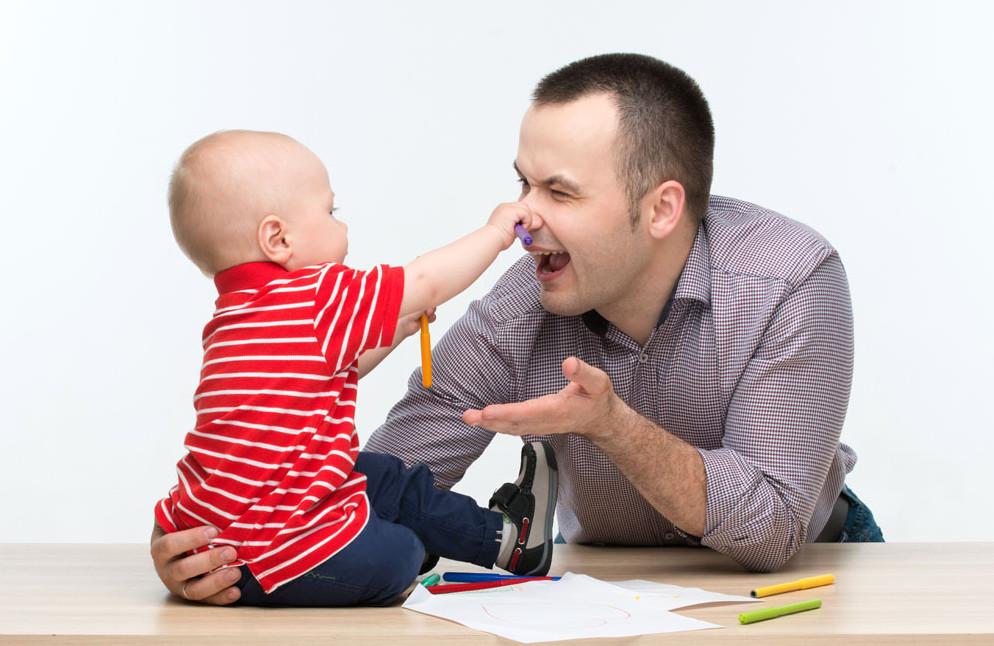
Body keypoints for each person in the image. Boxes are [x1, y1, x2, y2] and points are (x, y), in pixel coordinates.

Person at [152, 54, 883, 605]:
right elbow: (369, 489)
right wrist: (219, 544)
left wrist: (613, 426)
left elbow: (772, 530)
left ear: (661, 209)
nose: (525, 217)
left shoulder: (791, 278)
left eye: (558, 191)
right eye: (522, 184)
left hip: (804, 577)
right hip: (614, 585)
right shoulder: (516, 308)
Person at [152, 129, 558, 606]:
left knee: (379, 474)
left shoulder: (236, 317)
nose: (342, 227)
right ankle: (496, 539)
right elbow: (425, 280)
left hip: (221, 542)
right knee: (403, 553)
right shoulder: (315, 294)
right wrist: (495, 234)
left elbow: (325, 374)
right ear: (277, 238)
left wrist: (398, 329)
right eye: (330, 212)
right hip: (277, 557)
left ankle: (506, 541)